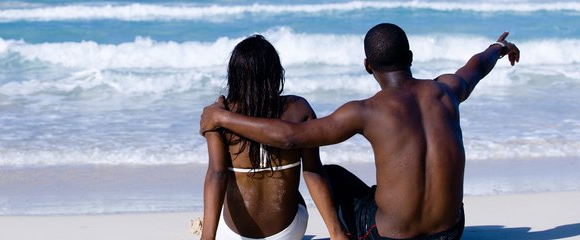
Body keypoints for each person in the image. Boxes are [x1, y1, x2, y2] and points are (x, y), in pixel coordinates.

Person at [201, 24, 520, 240]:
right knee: (348, 177)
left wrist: (223, 118)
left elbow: (291, 136)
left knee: (335, 177)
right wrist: (499, 47)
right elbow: (476, 66)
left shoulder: (365, 111)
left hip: (391, 236)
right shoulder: (447, 90)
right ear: (410, 58)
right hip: (451, 232)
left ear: (368, 66)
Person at [201, 35, 348, 240]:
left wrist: (207, 237)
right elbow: (313, 171)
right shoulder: (298, 109)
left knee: (228, 180)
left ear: (233, 76)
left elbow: (217, 175)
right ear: (276, 73)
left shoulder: (218, 115)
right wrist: (336, 232)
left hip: (232, 235)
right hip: (289, 232)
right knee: (311, 176)